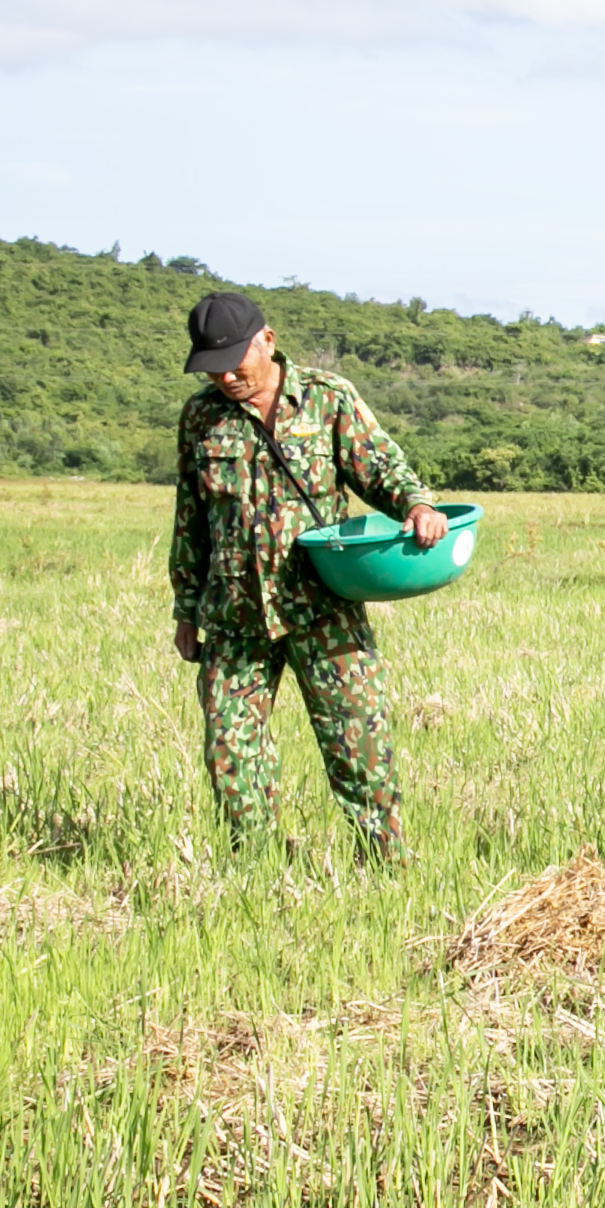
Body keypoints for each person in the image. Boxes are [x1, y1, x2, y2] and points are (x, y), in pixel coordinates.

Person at [166, 291, 448, 856]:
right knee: (229, 750)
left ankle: (385, 867)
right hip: (232, 612)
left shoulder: (327, 398)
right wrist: (186, 609)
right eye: (211, 367)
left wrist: (416, 506)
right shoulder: (201, 416)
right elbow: (190, 517)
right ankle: (260, 868)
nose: (224, 377)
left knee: (358, 742)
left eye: (233, 362)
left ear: (266, 341)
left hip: (323, 605)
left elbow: (381, 466)